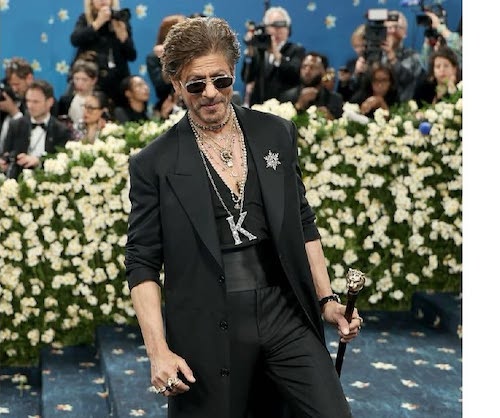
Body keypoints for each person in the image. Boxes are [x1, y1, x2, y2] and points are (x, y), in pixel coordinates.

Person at [125, 16, 360, 418]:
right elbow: (142, 261)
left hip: (285, 309)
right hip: (209, 323)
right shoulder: (155, 163)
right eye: (196, 84)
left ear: (234, 73)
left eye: (221, 80)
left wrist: (327, 300)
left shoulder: (276, 134)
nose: (211, 93)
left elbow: (302, 222)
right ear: (177, 85)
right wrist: (157, 350)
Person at [70, 0, 137, 107]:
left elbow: (132, 55)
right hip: (92, 78)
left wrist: (123, 37)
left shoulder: (120, 19)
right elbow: (75, 40)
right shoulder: (85, 18)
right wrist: (97, 23)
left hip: (117, 80)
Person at [1, 80, 71, 179]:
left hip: (48, 182)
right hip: (18, 180)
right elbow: (6, 154)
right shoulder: (16, 125)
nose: (30, 106)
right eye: (28, 101)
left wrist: (39, 162)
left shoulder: (61, 131)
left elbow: (63, 162)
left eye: (35, 102)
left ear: (50, 102)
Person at [240, 6, 305, 106]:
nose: (278, 30)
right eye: (273, 26)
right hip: (258, 106)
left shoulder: (296, 50)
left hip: (283, 106)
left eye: (282, 25)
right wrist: (251, 53)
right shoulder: (259, 51)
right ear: (265, 28)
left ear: (288, 29)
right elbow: (246, 78)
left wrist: (276, 54)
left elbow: (295, 74)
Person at [279, 52, 344, 120]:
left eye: (312, 67)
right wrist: (298, 106)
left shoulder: (335, 100)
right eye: (304, 66)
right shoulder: (287, 96)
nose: (307, 71)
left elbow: (341, 124)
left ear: (323, 71)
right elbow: (282, 124)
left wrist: (330, 119)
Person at [381, 11, 425, 102]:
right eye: (387, 28)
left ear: (405, 32)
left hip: (402, 106)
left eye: (396, 27)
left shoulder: (413, 57)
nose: (391, 31)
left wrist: (392, 58)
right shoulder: (376, 55)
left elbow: (407, 80)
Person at [146, 14, 187, 109]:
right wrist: (168, 58)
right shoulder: (154, 57)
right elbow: (160, 84)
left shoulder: (191, 52)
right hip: (168, 102)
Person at [0, 57, 35, 153]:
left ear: (29, 78)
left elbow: (33, 132)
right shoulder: (9, 95)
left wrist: (14, 112)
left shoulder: (40, 101)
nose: (14, 89)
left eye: (17, 84)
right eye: (11, 85)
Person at [58, 59, 99, 128]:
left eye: (84, 80)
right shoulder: (66, 101)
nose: (79, 83)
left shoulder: (99, 100)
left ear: (94, 80)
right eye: (76, 79)